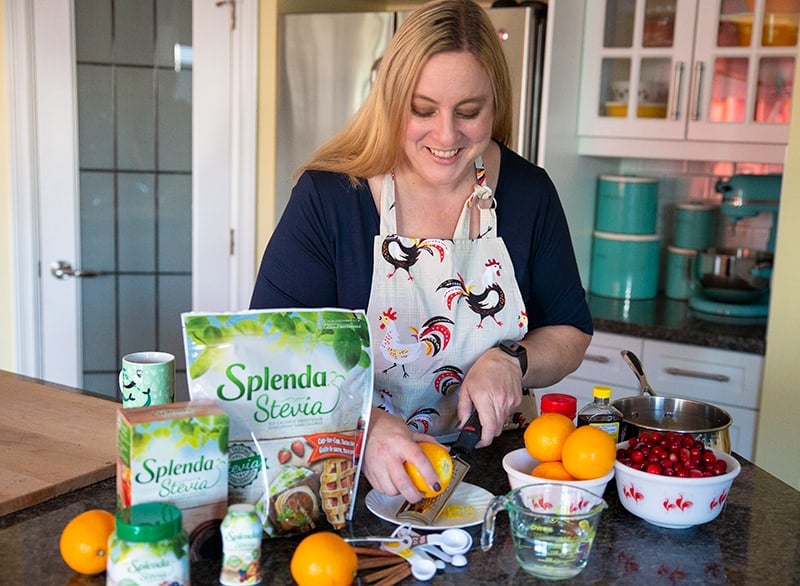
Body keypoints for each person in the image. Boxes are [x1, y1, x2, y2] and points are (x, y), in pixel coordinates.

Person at [250, 0, 592, 503]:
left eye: (469, 112)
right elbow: (270, 351)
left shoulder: (528, 193)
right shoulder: (329, 197)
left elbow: (570, 330)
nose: (447, 135)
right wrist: (365, 424)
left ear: (495, 104)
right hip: (353, 470)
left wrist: (513, 361)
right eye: (423, 109)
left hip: (496, 473)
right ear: (390, 100)